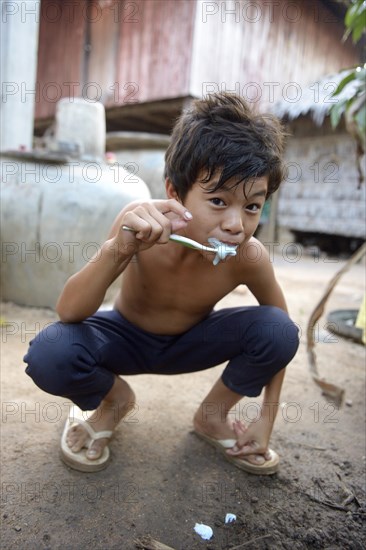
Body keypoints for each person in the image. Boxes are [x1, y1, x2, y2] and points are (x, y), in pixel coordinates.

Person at [24, 92, 299, 474]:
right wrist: (120, 248)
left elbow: (282, 340)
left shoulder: (248, 257)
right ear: (174, 192)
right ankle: (114, 401)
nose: (237, 224)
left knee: (278, 329)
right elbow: (69, 311)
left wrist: (267, 417)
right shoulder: (137, 223)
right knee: (50, 352)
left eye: (252, 206)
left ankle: (212, 415)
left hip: (193, 343)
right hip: (125, 339)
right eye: (218, 201)